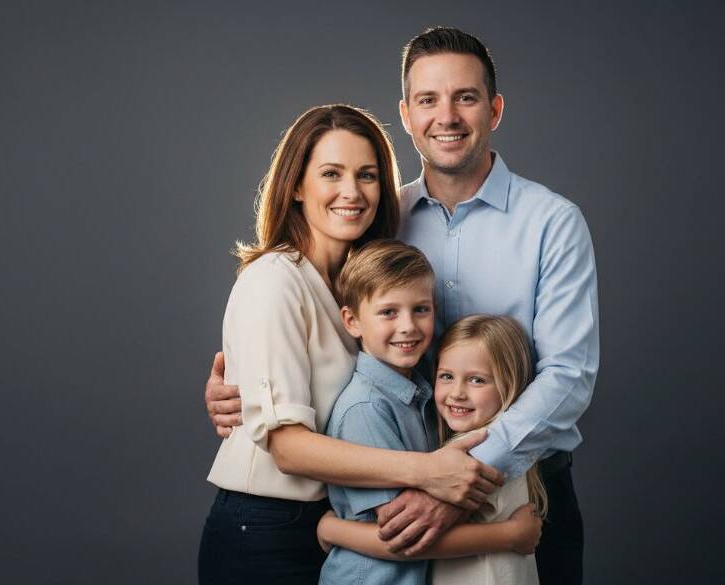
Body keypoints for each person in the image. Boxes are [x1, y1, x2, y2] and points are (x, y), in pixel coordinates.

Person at [205, 27, 599, 584]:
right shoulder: (379, 223)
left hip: (522, 486)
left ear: (494, 109)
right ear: (407, 115)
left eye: (465, 97)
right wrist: (243, 392)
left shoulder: (551, 223)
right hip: (393, 498)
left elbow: (568, 376)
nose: (447, 117)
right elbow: (328, 342)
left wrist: (461, 476)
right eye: (428, 100)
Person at [197, 104, 503, 585]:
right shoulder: (274, 281)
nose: (352, 192)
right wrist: (427, 471)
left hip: (334, 523)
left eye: (367, 175)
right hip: (265, 528)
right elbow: (288, 449)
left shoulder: (368, 289)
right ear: (296, 186)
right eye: (331, 174)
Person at [318, 242, 542, 585]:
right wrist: (509, 536)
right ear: (352, 321)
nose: (408, 326)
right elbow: (405, 534)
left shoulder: (425, 394)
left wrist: (331, 528)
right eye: (389, 312)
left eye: (420, 309)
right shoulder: (365, 408)